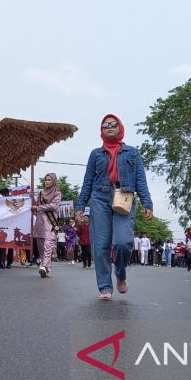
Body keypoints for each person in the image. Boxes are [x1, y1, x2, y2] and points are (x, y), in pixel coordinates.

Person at [76, 114, 153, 301]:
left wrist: (147, 202)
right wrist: (80, 206)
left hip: (124, 196)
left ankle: (120, 273)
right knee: (100, 245)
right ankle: (104, 287)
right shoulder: (95, 154)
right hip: (99, 197)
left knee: (123, 242)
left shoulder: (132, 153)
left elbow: (140, 179)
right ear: (101, 131)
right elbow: (87, 181)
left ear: (120, 128)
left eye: (113, 124)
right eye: (105, 126)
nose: (109, 127)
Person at [31, 173, 62, 278]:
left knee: (48, 245)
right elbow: (35, 205)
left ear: (53, 181)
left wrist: (38, 208)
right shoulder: (40, 193)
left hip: (51, 222)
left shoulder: (57, 193)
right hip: (40, 222)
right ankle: (46, 268)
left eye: (49, 179)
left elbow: (53, 206)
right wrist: (32, 198)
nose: (47, 181)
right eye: (46, 179)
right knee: (41, 247)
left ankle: (43, 266)